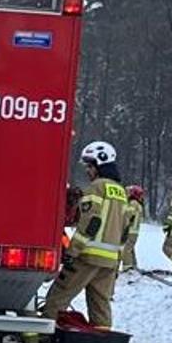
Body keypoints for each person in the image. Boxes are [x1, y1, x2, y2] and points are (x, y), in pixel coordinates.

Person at [39, 141, 132, 330]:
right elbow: (125, 231)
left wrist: (72, 252)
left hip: (87, 256)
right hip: (109, 262)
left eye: (90, 166)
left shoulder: (96, 187)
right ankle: (102, 337)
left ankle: (43, 334)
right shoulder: (121, 192)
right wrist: (118, 260)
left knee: (59, 295)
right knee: (100, 304)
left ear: (100, 164)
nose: (88, 171)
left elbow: (91, 223)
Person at [122, 185, 146, 273]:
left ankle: (127, 268)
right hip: (134, 231)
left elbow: (128, 215)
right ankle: (134, 265)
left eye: (129, 192)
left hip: (130, 231)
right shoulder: (139, 205)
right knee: (130, 249)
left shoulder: (133, 203)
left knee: (126, 250)